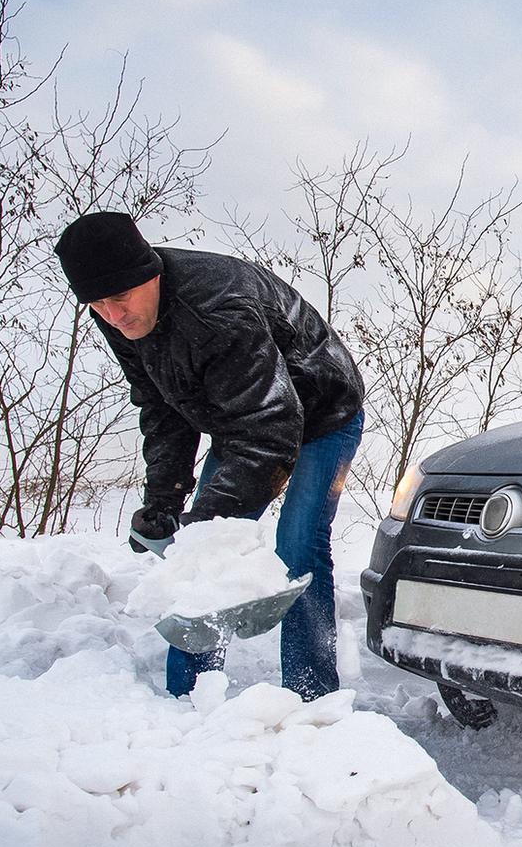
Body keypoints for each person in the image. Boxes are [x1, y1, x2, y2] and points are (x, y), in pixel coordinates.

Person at [55, 211, 365, 701]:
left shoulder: (221, 309)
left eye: (119, 299)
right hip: (242, 417)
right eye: (96, 305)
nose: (112, 316)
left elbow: (270, 428)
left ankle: (313, 698)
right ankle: (189, 697)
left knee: (298, 543)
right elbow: (162, 407)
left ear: (150, 273)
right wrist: (165, 501)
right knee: (198, 549)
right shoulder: (122, 317)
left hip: (324, 412)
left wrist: (206, 525)